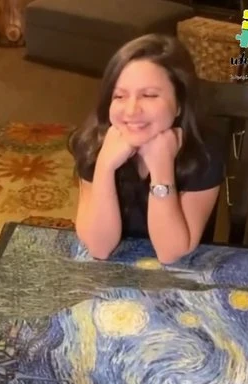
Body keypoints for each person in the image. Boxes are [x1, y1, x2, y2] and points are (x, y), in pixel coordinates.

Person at [71, 34, 226, 264]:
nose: (131, 110)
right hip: (115, 271)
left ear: (179, 104)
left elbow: (171, 253)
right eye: (119, 96)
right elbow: (99, 248)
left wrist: (162, 168)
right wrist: (105, 166)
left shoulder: (205, 152)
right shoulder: (93, 142)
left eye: (149, 95)